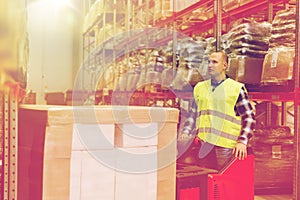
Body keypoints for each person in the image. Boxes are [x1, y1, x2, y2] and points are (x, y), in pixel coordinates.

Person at [180, 51, 255, 170]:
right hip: (204, 144)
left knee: (224, 182)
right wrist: (186, 132)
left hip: (225, 146)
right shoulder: (200, 87)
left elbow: (249, 117)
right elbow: (193, 113)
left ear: (224, 65)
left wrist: (242, 141)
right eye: (209, 62)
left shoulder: (235, 88)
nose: (210, 65)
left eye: (214, 62)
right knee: (206, 179)